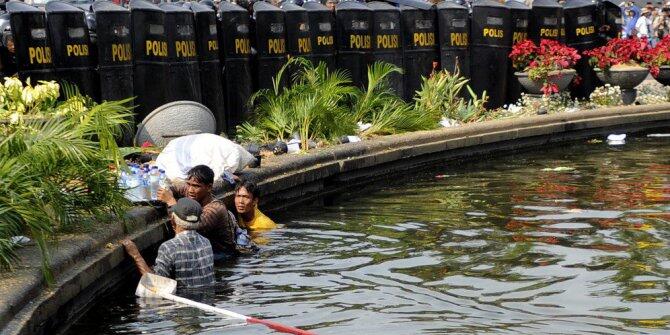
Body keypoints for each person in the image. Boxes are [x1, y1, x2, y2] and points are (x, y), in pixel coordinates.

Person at [122, 197, 215, 288]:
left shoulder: (169, 247)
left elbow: (155, 284)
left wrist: (136, 256)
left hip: (183, 301)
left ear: (173, 220)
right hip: (208, 298)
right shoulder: (206, 242)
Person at [158, 165, 239, 256]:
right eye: (188, 184)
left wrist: (171, 201)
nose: (190, 190)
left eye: (196, 186)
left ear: (209, 187)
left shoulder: (214, 209)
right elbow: (173, 188)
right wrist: (165, 191)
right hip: (203, 249)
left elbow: (187, 227)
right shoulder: (191, 191)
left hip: (221, 255)